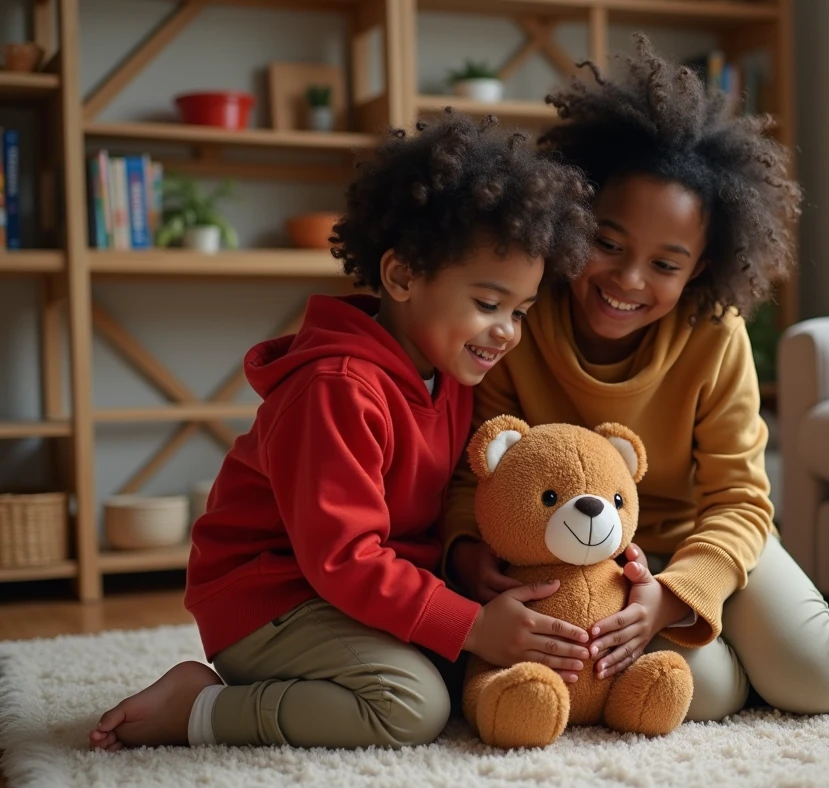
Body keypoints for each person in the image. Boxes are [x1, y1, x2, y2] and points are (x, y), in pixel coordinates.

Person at [443, 36, 829, 723]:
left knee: (811, 677)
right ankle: (746, 653)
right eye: (607, 243)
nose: (628, 281)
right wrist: (465, 552)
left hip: (701, 536)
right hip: (573, 559)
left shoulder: (712, 333)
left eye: (666, 264)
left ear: (702, 269)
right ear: (570, 221)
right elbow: (475, 472)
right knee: (711, 692)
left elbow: (742, 499)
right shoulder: (519, 325)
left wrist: (677, 593)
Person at [88, 110, 598, 752]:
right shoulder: (337, 388)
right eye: (488, 304)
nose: (507, 331)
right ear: (402, 276)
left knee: (483, 659)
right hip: (271, 598)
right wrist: (469, 625)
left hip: (349, 595)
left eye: (520, 311)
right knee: (412, 708)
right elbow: (343, 558)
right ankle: (199, 709)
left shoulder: (445, 375)